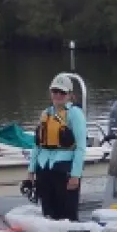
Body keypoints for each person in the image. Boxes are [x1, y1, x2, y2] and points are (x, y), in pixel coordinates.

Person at [23, 74, 86, 221]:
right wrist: (31, 171)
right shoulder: (46, 113)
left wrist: (75, 175)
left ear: (69, 95)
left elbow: (81, 147)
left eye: (62, 92)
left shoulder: (75, 114)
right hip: (44, 168)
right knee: (48, 213)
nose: (58, 95)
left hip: (64, 169)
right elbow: (37, 145)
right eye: (55, 91)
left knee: (67, 215)